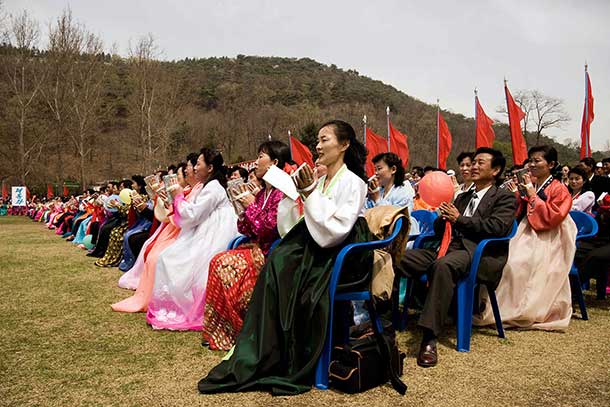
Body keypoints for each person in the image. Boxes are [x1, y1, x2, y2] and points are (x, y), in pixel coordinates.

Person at [198, 119, 373, 395]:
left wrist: (311, 193)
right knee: (277, 261)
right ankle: (267, 351)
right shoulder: (322, 179)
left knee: (282, 266)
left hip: (339, 252)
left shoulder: (353, 182)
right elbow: (303, 223)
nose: (317, 145)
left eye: (324, 139)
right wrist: (296, 195)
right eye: (318, 139)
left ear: (344, 145)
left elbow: (334, 231)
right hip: (317, 247)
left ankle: (283, 354)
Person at [394, 147, 516, 368]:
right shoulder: (462, 196)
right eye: (473, 163)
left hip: (476, 253)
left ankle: (429, 337)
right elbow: (442, 230)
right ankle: (385, 318)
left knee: (443, 265)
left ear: (496, 170)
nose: (473, 167)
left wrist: (459, 219)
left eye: (480, 163)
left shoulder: (504, 197)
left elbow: (497, 228)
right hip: (448, 248)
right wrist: (442, 217)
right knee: (399, 258)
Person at [476, 145, 577, 331]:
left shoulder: (559, 189)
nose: (532, 164)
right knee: (506, 260)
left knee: (518, 263)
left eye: (537, 161)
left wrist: (531, 195)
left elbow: (552, 216)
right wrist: (518, 194)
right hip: (527, 230)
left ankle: (522, 309)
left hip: (551, 235)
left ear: (551, 164)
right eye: (530, 160)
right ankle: (497, 307)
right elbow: (519, 209)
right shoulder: (532, 182)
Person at [202, 141, 289, 351]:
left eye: (261, 157)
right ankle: (222, 329)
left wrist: (250, 206)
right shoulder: (262, 193)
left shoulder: (281, 192)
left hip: (271, 251)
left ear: (274, 163)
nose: (256, 162)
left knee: (222, 263)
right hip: (254, 248)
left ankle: (237, 327)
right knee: (218, 261)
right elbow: (247, 229)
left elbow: (269, 228)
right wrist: (243, 209)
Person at [146, 148, 238, 331]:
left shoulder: (213, 188)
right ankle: (176, 306)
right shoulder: (209, 186)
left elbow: (191, 215)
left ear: (210, 167)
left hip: (212, 237)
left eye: (198, 164)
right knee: (169, 257)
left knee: (170, 259)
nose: (195, 168)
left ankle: (181, 309)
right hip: (205, 233)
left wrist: (178, 196)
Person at [112, 154, 202, 313]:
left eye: (178, 174)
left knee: (152, 252)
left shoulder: (195, 190)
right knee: (136, 241)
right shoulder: (185, 190)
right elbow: (164, 214)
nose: (189, 171)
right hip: (169, 228)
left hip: (178, 230)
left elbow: (181, 215)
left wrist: (168, 202)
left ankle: (157, 294)